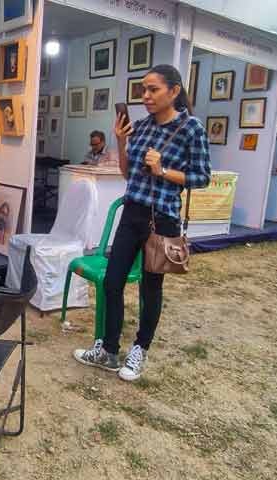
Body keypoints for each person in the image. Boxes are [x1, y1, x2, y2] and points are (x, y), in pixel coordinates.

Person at [73, 64, 211, 382]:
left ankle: (140, 350)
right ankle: (108, 350)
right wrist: (121, 141)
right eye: (143, 90)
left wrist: (163, 170)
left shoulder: (191, 128)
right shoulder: (142, 126)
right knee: (112, 282)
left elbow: (202, 178)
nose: (145, 96)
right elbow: (128, 173)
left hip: (162, 218)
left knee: (151, 288)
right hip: (133, 212)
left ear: (174, 91)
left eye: (153, 89)